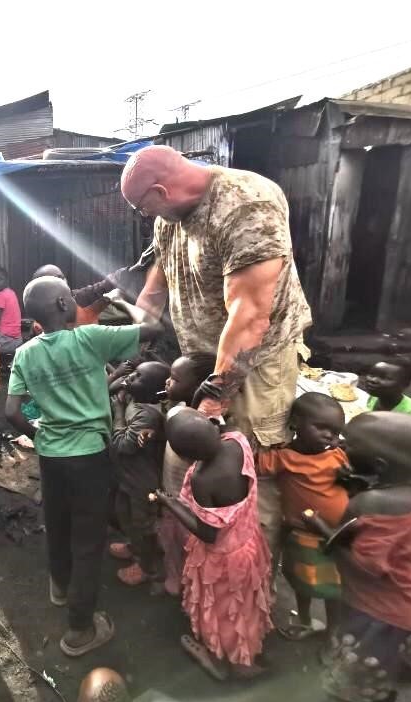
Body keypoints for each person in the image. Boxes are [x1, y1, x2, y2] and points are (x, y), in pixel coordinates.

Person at [121, 144, 313, 576]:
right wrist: (133, 334)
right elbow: (159, 278)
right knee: (183, 466)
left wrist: (211, 405)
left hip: (252, 367)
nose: (142, 214)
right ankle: (187, 570)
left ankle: (244, 583)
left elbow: (251, 318)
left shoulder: (247, 205)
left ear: (160, 189)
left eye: (141, 206)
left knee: (242, 477)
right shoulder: (169, 216)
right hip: (199, 364)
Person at [5, 276, 160, 657]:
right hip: (89, 455)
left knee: (57, 524)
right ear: (61, 306)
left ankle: (60, 588)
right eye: (69, 296)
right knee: (89, 540)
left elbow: (12, 412)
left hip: (51, 455)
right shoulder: (91, 338)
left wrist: (38, 431)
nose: (75, 299)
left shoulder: (26, 353)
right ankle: (80, 629)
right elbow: (153, 328)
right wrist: (122, 302)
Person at [304, 412, 411, 702]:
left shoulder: (369, 504)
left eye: (348, 445)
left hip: (378, 621)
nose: (339, 444)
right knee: (385, 688)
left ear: (379, 466)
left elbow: (367, 565)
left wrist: (327, 535)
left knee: (351, 694)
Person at [154, 409, 273, 681]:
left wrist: (170, 503)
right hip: (249, 542)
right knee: (244, 603)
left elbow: (208, 532)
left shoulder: (202, 479)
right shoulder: (238, 441)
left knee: (220, 609)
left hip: (222, 558)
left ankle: (222, 658)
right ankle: (247, 651)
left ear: (185, 457)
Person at [257, 392, 348, 640]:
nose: (330, 436)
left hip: (334, 536)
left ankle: (333, 632)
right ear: (295, 422)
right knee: (301, 580)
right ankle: (306, 620)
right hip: (301, 535)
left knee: (334, 589)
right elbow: (254, 463)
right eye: (322, 428)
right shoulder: (284, 457)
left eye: (336, 431)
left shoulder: (338, 456)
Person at [157, 352, 217, 596]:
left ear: (197, 388)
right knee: (169, 541)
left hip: (188, 507)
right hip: (170, 495)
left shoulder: (199, 427)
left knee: (188, 547)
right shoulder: (178, 407)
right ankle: (174, 578)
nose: (168, 382)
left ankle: (191, 591)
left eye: (175, 379)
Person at [109, 361, 170, 588]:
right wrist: (122, 377)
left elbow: (123, 444)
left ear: (155, 391)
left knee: (142, 526)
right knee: (124, 515)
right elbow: (112, 388)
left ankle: (148, 567)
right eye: (134, 373)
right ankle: (134, 548)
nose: (132, 377)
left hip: (141, 483)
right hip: (127, 478)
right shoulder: (136, 399)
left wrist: (118, 413)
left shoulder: (148, 416)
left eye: (139, 377)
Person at [364, 357, 411, 431]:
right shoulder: (373, 399)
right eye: (372, 375)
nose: (373, 380)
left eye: (385, 378)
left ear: (405, 384)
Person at [31, 264, 112, 326]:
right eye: (55, 278)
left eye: (61, 277)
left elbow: (103, 287)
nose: (61, 281)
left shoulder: (79, 297)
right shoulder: (39, 318)